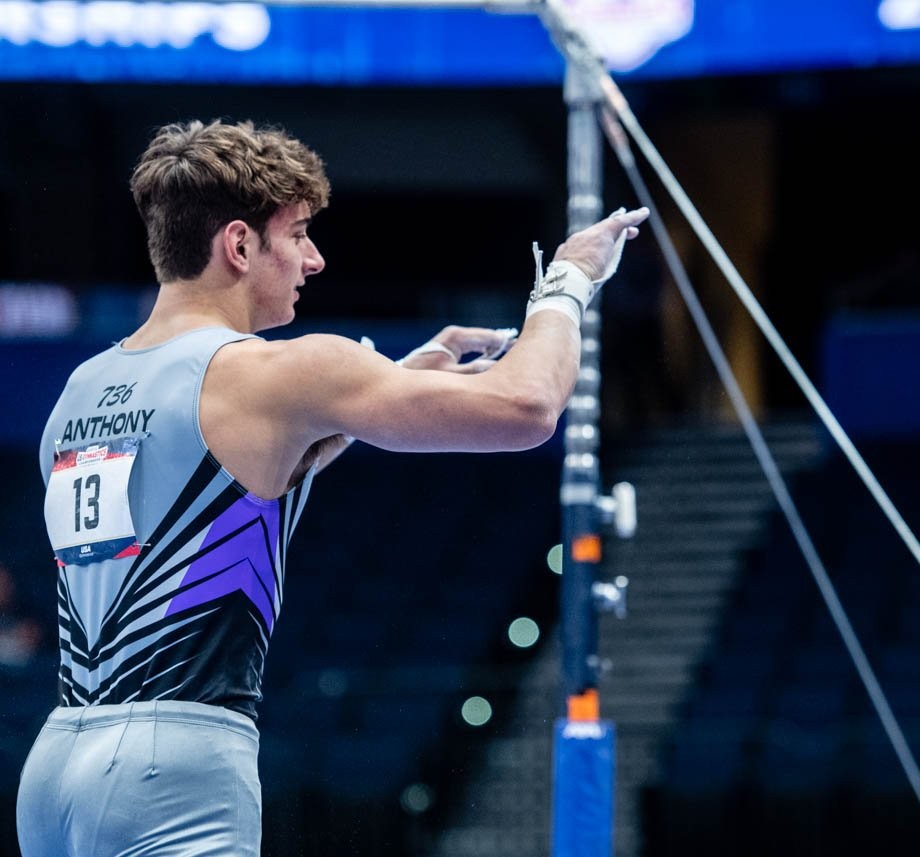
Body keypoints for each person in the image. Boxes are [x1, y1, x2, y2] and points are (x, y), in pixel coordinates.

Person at [16, 118, 648, 856]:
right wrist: (567, 283)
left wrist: (390, 385)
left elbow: (220, 491)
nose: (314, 259)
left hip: (57, 766)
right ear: (239, 245)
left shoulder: (80, 392)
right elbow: (527, 407)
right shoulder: (275, 370)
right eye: (298, 234)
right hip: (175, 764)